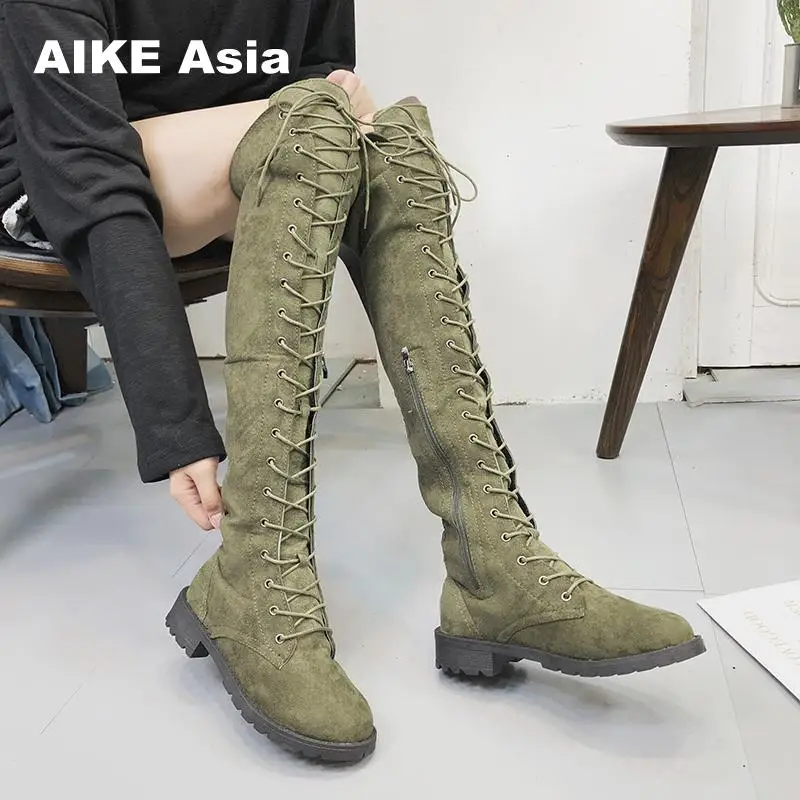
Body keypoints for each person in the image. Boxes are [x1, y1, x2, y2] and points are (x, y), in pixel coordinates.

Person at [0, 0, 706, 764]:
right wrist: (173, 419)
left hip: (219, 169)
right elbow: (83, 163)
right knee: (318, 122)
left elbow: (311, 83)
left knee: (390, 147)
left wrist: (330, 108)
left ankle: (493, 560)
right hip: (53, 176)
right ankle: (257, 568)